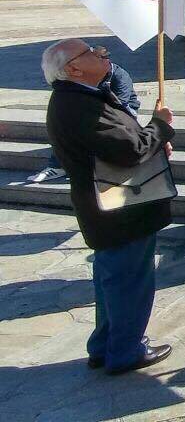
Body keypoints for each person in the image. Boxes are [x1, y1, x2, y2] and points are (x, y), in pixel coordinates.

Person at [42, 40, 176, 374]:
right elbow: (129, 149)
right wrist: (158, 126)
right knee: (129, 282)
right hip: (119, 210)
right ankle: (126, 350)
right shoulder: (76, 105)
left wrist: (154, 142)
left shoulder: (82, 97)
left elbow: (125, 145)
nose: (102, 54)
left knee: (112, 282)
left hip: (112, 208)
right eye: (90, 53)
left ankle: (105, 345)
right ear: (73, 69)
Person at [29, 48, 142, 183]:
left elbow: (119, 108)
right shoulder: (82, 77)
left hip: (124, 111)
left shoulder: (119, 75)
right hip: (96, 111)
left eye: (102, 58)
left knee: (98, 127)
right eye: (95, 57)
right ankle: (57, 166)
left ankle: (99, 165)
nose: (102, 61)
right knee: (68, 126)